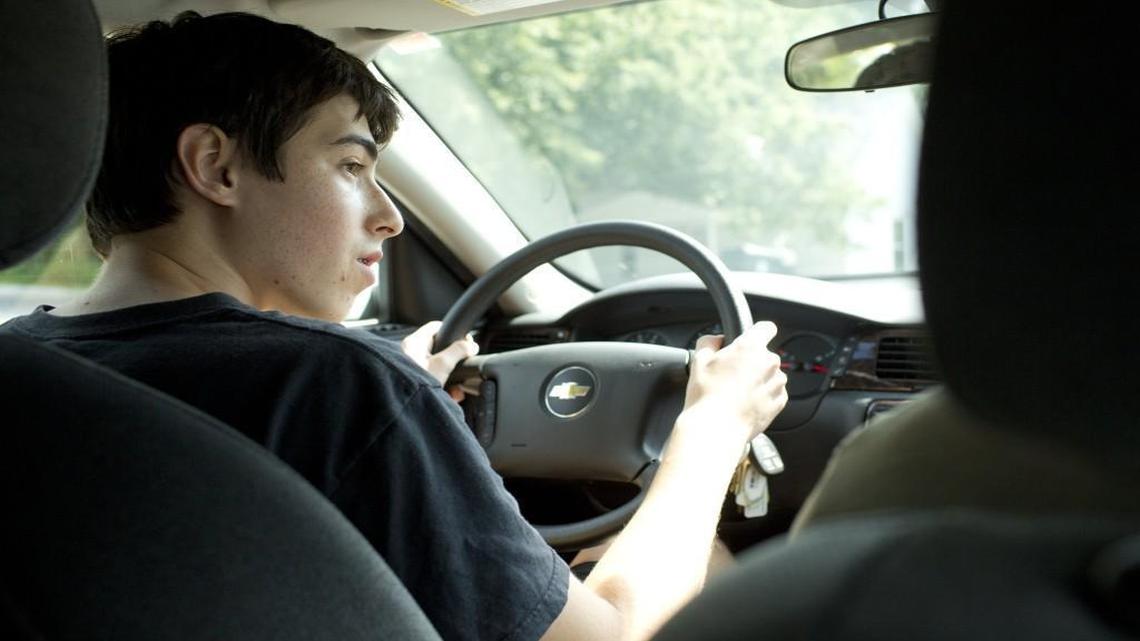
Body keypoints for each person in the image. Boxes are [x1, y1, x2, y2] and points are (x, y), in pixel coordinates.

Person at [0, 12, 788, 641]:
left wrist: (402, 402)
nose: (389, 217)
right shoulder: (343, 389)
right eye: (351, 166)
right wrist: (714, 428)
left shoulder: (29, 370)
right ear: (216, 165)